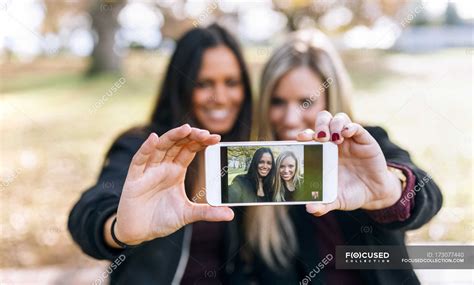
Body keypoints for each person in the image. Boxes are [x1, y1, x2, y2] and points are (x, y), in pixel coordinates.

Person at [251, 29, 443, 284]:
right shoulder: (261, 169)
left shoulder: (365, 146)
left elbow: (430, 195)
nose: (290, 118)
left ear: (331, 99)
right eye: (277, 102)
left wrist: (389, 192)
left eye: (306, 102)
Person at [68, 24, 254, 284]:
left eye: (232, 82)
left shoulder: (251, 152)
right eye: (204, 84)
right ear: (180, 86)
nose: (221, 97)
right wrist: (117, 228)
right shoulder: (146, 147)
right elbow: (87, 212)